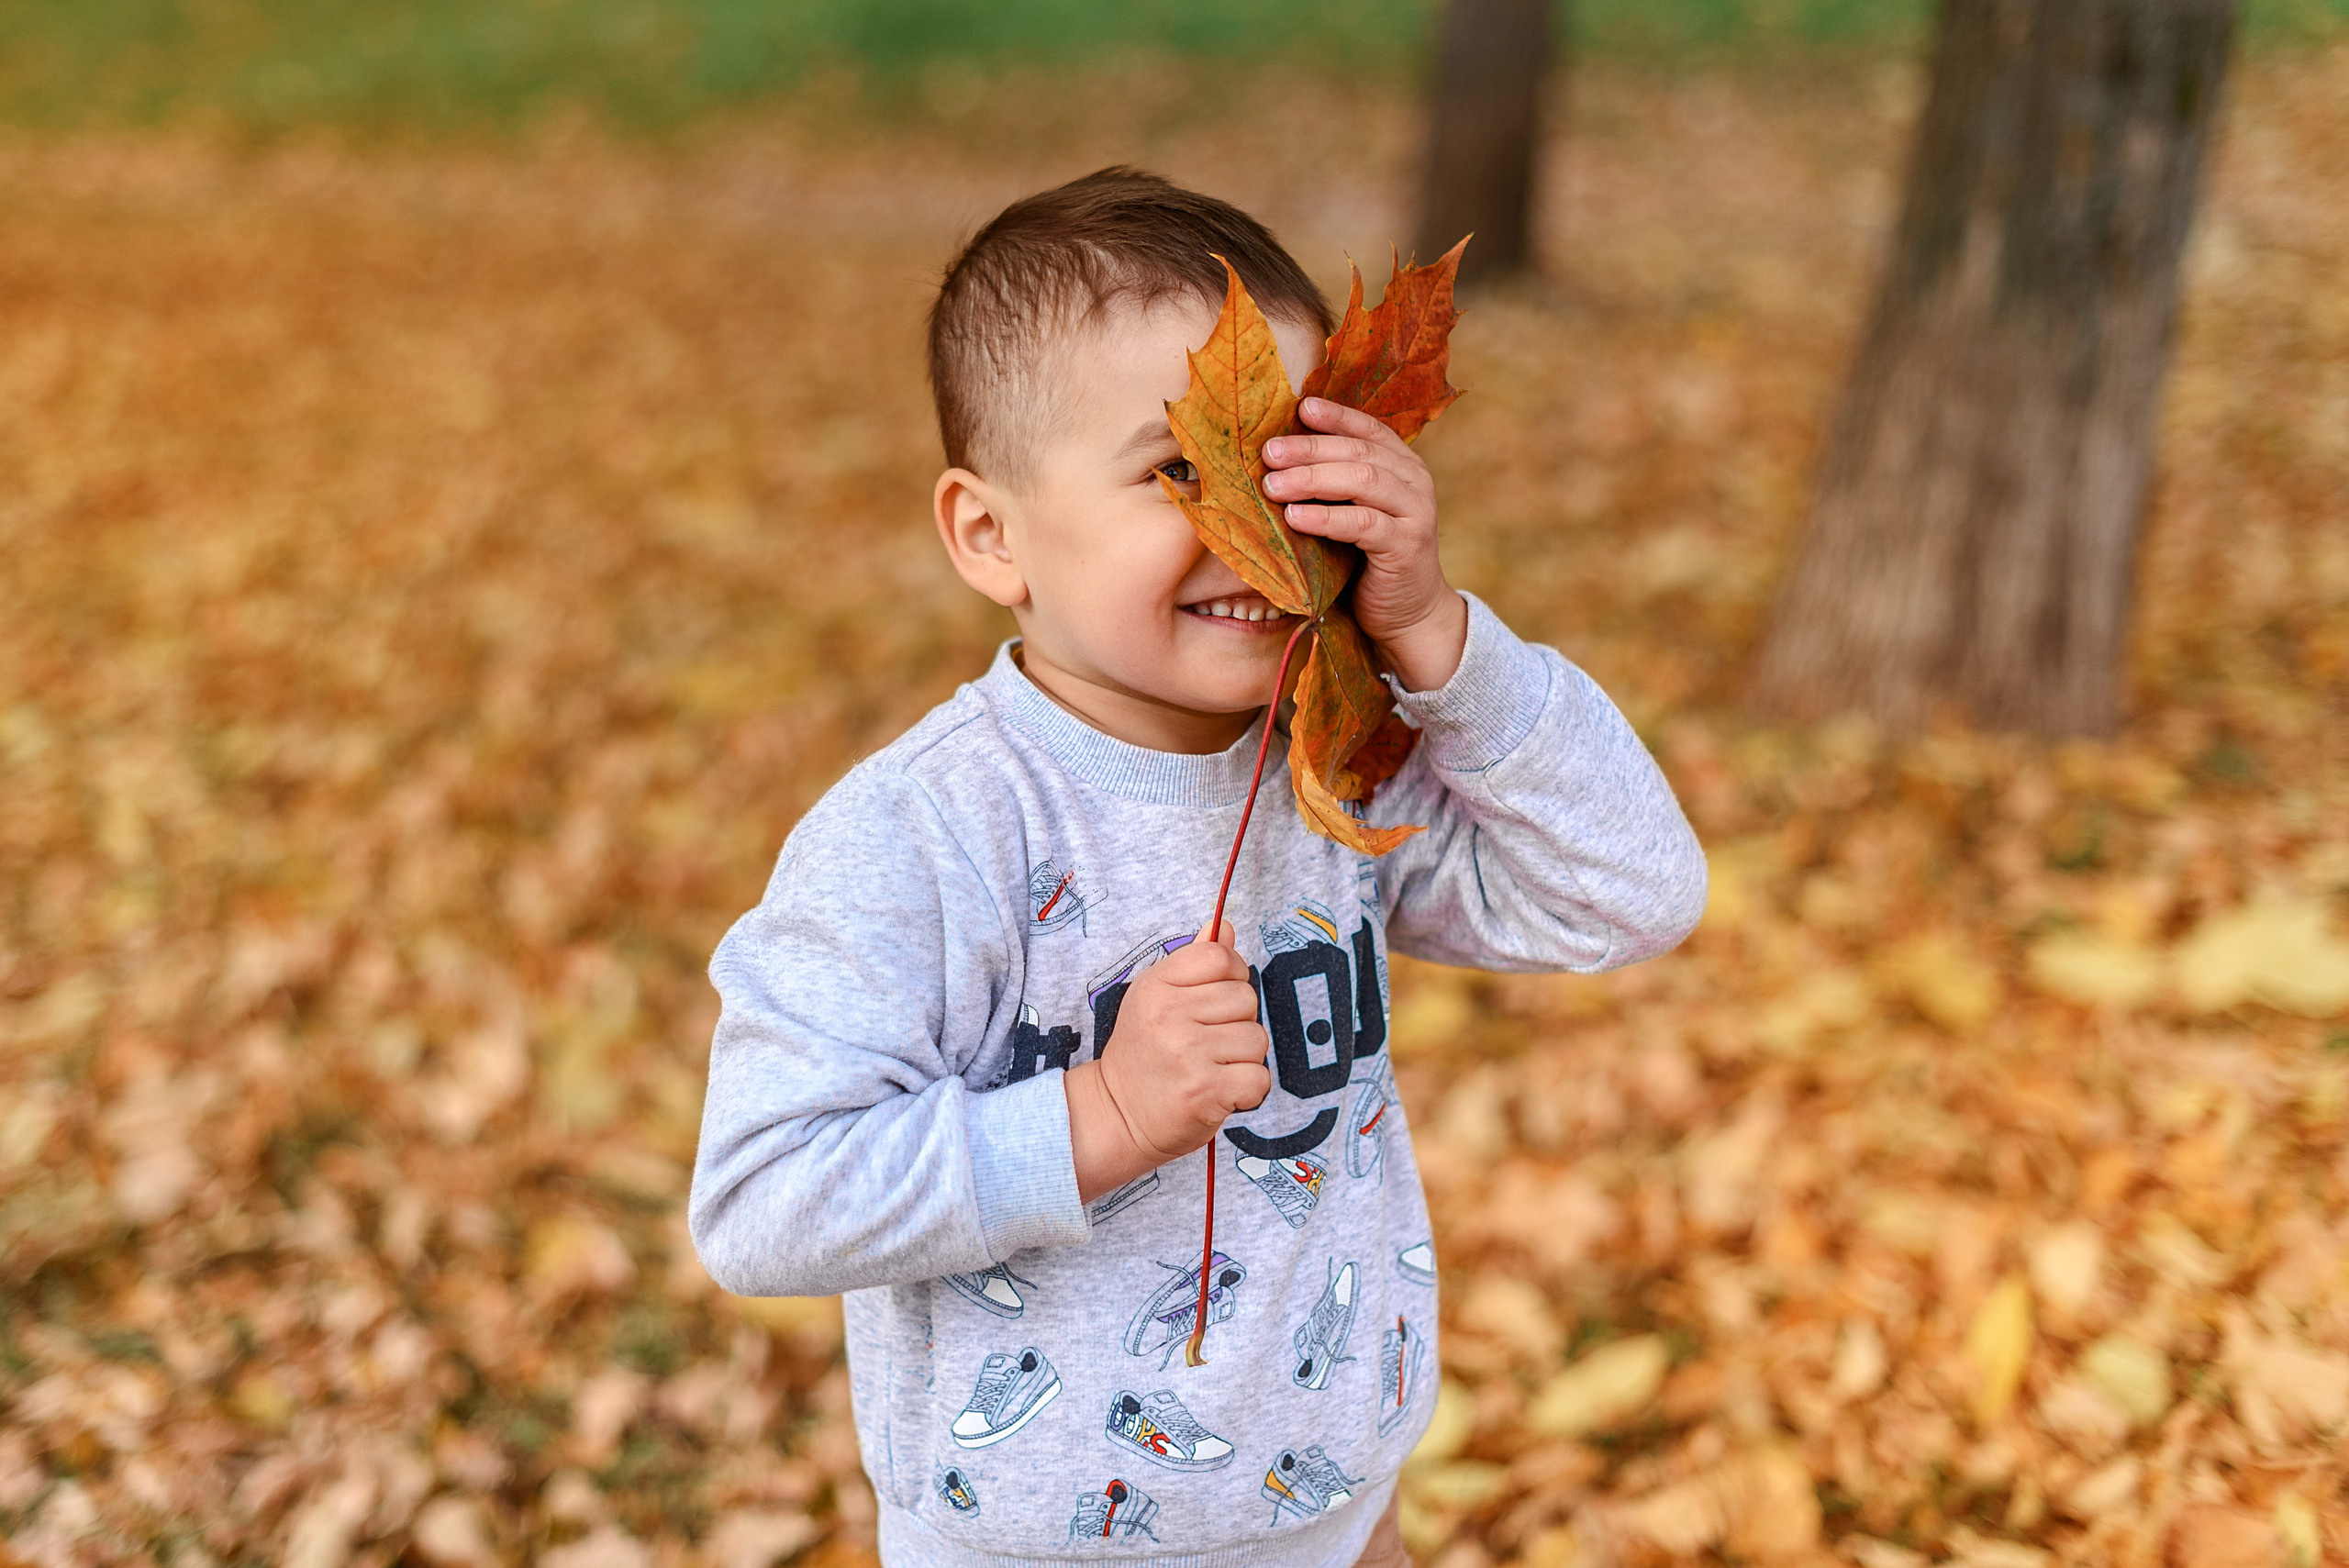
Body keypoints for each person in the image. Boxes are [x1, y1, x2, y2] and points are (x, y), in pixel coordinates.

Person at [688, 167, 1706, 1568]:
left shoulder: (1334, 753)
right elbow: (762, 1198)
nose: (1257, 525)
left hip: (1339, 1509)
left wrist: (1440, 637)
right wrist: (1099, 1113)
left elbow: (1632, 889)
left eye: (1293, 469)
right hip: (1042, 1546)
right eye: (1181, 471)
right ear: (990, 534)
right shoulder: (927, 834)